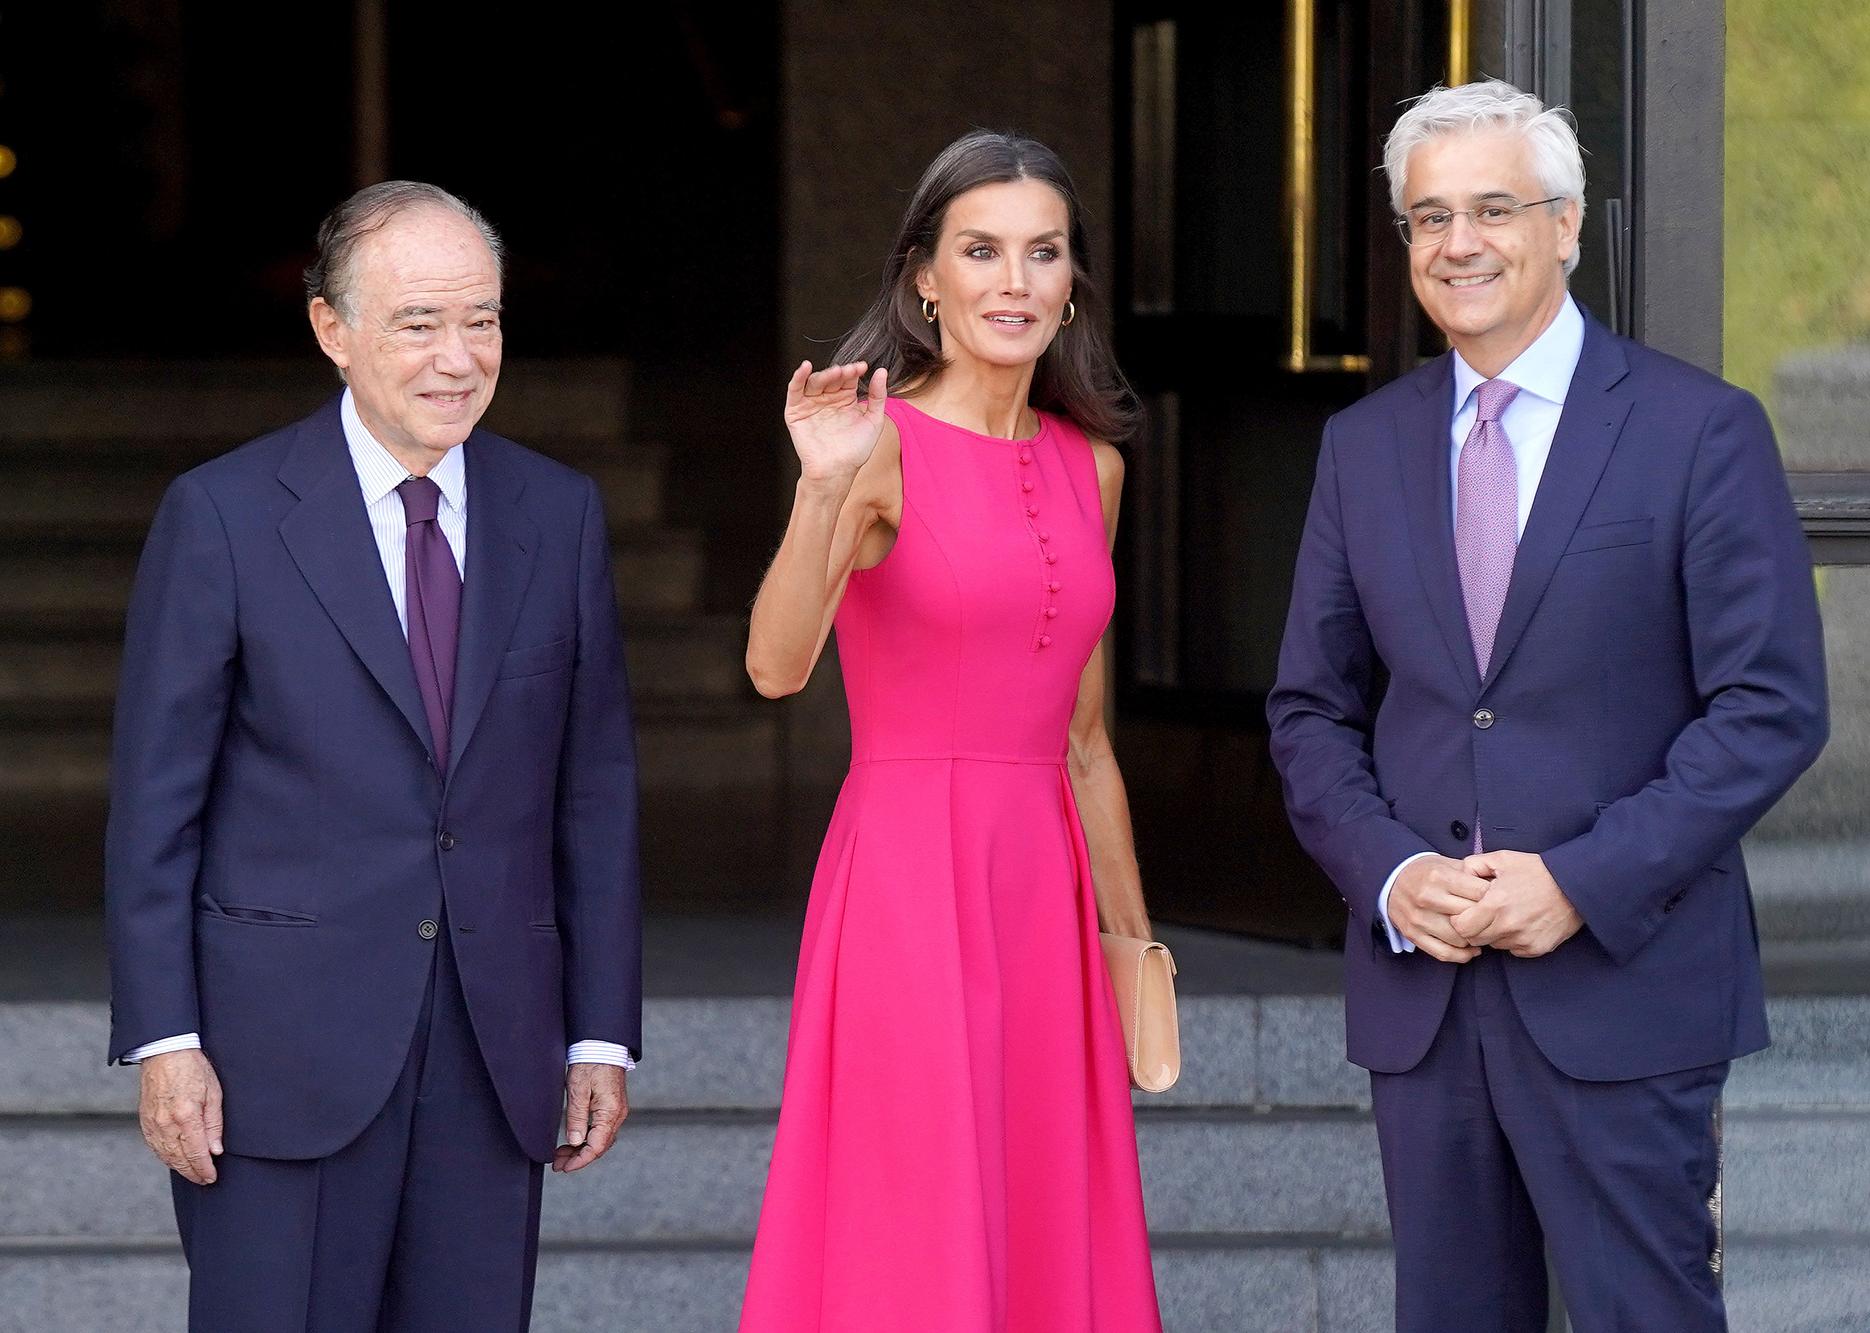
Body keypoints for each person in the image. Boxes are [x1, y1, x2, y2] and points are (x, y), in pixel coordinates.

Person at [1267, 80, 1829, 1331]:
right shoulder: (1361, 447)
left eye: (1490, 209)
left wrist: (1578, 878)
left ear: (1566, 226)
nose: (1455, 243)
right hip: (1425, 994)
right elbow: (1309, 709)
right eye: (1425, 218)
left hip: (1624, 984)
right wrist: (1391, 873)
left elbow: (1769, 704)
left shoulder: (1699, 432)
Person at [105, 180, 643, 1331]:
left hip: (496, 1050)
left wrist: (597, 1030)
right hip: (274, 1057)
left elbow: (590, 794)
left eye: (483, 320)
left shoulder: (560, 514)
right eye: (419, 323)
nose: (459, 357)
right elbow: (157, 803)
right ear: (331, 331)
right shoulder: (225, 515)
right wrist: (166, 1037)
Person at [738, 131, 1163, 1331]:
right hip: (907, 883)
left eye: (1043, 252)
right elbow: (774, 667)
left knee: (1038, 1211)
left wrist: (1131, 946)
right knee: (915, 1213)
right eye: (980, 251)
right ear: (924, 276)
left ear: (1073, 279)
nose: (1014, 281)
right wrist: (820, 482)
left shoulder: (1095, 466)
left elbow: (1084, 741)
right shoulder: (871, 445)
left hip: (1044, 891)